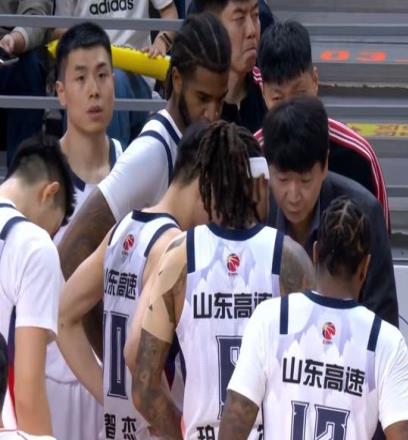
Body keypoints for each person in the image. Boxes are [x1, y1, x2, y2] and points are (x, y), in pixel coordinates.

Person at [57, 11, 231, 356]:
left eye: (220, 100)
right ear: (176, 79)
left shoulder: (193, 144)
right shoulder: (152, 153)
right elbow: (72, 251)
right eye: (203, 99)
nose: (212, 113)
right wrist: (110, 358)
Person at [131, 121, 314, 439]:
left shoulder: (179, 257)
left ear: (206, 187)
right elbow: (313, 383)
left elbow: (144, 390)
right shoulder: (291, 259)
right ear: (259, 186)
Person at [57, 124, 211, 439]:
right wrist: (175, 428)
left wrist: (109, 394)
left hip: (118, 427)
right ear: (206, 183)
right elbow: (137, 354)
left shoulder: (123, 226)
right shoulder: (175, 246)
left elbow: (62, 315)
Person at [220, 197, 408, 440]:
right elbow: (404, 435)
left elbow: (236, 416)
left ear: (314, 254)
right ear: (365, 266)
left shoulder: (271, 317)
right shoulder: (386, 340)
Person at [44, 22, 124, 440]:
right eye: (80, 78)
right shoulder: (38, 181)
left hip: (119, 378)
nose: (94, 90)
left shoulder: (136, 170)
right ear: (61, 91)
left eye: (102, 75)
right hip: (55, 380)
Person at [263, 96, 398, 326]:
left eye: (305, 181)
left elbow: (383, 319)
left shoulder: (362, 214)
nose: (293, 196)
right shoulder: (256, 210)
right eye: (283, 180)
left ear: (325, 164)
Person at [254, 21, 390, 230]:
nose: (291, 109)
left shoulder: (358, 156)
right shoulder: (252, 156)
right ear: (263, 93)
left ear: (315, 80)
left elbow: (379, 238)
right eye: (278, 99)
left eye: (300, 94)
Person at [0, 134, 75, 437]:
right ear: (49, 192)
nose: (50, 236)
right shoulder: (34, 244)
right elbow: (27, 390)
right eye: (52, 228)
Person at [53, 0, 180, 147]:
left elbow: (170, 13)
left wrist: (161, 41)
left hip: (135, 75)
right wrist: (82, 36)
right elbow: (57, 30)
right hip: (87, 70)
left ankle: (112, 158)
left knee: (113, 81)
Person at [194, 0, 267, 133]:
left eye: (255, 15)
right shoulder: (193, 109)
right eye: (239, 19)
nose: (251, 31)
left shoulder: (269, 94)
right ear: (212, 29)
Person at [0, 0, 53, 165]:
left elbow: (35, 15)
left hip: (12, 51)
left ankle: (21, 173)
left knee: (29, 66)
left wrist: (13, 40)